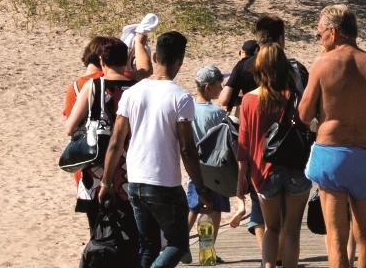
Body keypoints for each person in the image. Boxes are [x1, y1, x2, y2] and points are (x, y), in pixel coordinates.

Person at [299, 4, 366, 268]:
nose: (319, 38)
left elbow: (303, 114)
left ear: (333, 33)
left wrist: (319, 123)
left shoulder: (322, 64)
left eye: (319, 33)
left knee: (336, 238)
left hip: (331, 154)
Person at [99, 32, 214, 268]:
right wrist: (200, 188)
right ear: (180, 61)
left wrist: (106, 182)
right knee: (178, 245)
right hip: (164, 183)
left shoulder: (132, 93)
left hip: (136, 180)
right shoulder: (180, 97)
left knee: (148, 246)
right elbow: (187, 148)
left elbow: (116, 141)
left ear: (154, 56)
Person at [237, 44, 312, 268]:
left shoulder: (249, 100)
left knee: (272, 228)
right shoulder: (294, 96)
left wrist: (242, 178)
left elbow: (243, 143)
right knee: (292, 230)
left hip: (264, 172)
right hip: (296, 167)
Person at [66, 38, 140, 236]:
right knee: (131, 232)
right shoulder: (139, 87)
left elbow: (70, 127)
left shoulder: (93, 86)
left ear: (102, 61)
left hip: (97, 169)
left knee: (98, 232)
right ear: (126, 60)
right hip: (131, 168)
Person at [188, 66, 231, 242]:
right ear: (208, 87)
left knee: (193, 207)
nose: (221, 89)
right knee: (215, 210)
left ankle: (181, 243)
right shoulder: (216, 113)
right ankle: (209, 246)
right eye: (219, 85)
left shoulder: (188, 107)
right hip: (214, 168)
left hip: (194, 167)